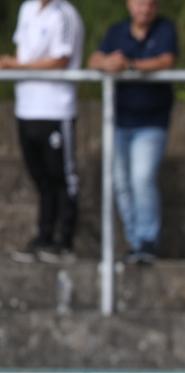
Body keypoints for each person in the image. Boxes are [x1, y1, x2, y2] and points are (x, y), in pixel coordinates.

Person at [89, 0, 178, 265]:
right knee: (120, 182)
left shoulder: (165, 29)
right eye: (140, 2)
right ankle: (136, 241)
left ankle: (147, 241)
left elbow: (166, 60)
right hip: (118, 121)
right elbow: (94, 59)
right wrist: (108, 62)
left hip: (151, 121)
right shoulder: (116, 31)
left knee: (141, 178)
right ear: (129, 5)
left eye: (150, 3)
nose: (145, 8)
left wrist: (129, 65)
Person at [3, 0, 84, 264]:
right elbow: (25, 51)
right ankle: (44, 236)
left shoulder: (64, 14)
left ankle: (65, 241)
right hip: (27, 107)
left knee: (62, 176)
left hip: (55, 108)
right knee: (40, 177)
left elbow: (61, 59)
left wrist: (17, 67)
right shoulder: (27, 8)